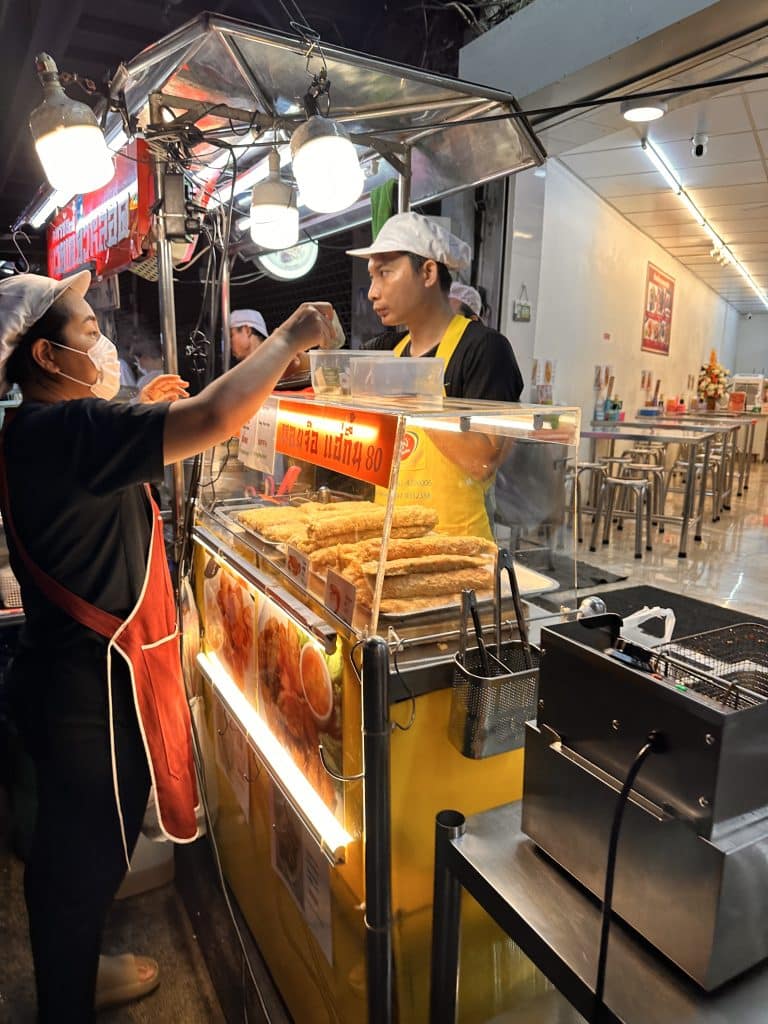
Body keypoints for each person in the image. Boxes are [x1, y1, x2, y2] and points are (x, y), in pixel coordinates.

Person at [0, 271, 334, 1022]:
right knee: (84, 858)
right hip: (91, 689)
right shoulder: (72, 432)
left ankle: (75, 968)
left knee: (74, 848)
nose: (103, 341)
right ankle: (66, 999)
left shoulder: (41, 428)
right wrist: (290, 338)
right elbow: (216, 413)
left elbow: (105, 459)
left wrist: (138, 415)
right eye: (88, 330)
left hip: (60, 678)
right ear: (48, 359)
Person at [348, 212, 523, 537]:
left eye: (385, 273)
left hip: (456, 550)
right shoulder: (392, 352)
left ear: (428, 272)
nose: (372, 292)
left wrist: (410, 398)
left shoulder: (484, 349)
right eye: (372, 276)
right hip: (391, 541)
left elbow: (483, 462)